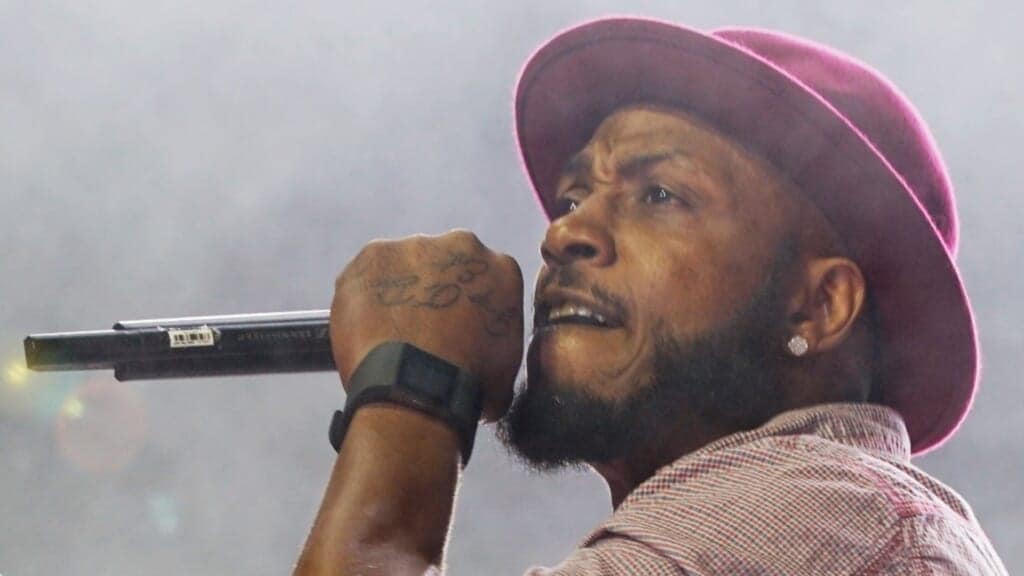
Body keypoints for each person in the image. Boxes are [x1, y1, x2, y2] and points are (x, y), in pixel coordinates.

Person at [294, 17, 1008, 575]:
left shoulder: (815, 511)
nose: (566, 232)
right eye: (573, 196)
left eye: (659, 194)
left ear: (819, 307)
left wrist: (415, 386)